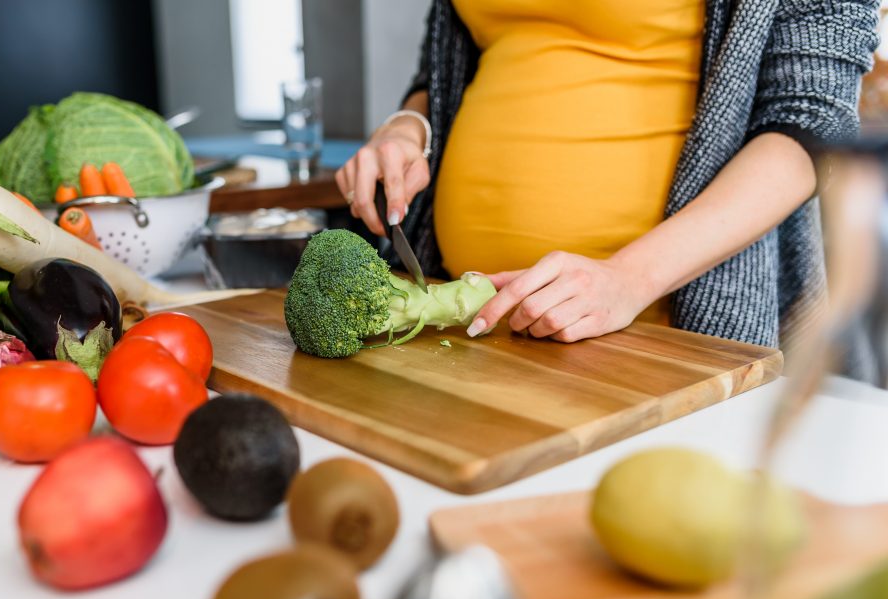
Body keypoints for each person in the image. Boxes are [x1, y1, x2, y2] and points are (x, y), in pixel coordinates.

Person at [336, 0, 880, 357]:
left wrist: (628, 279)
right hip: (472, 329)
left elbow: (812, 127)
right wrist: (407, 129)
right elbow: (447, 68)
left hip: (658, 331)